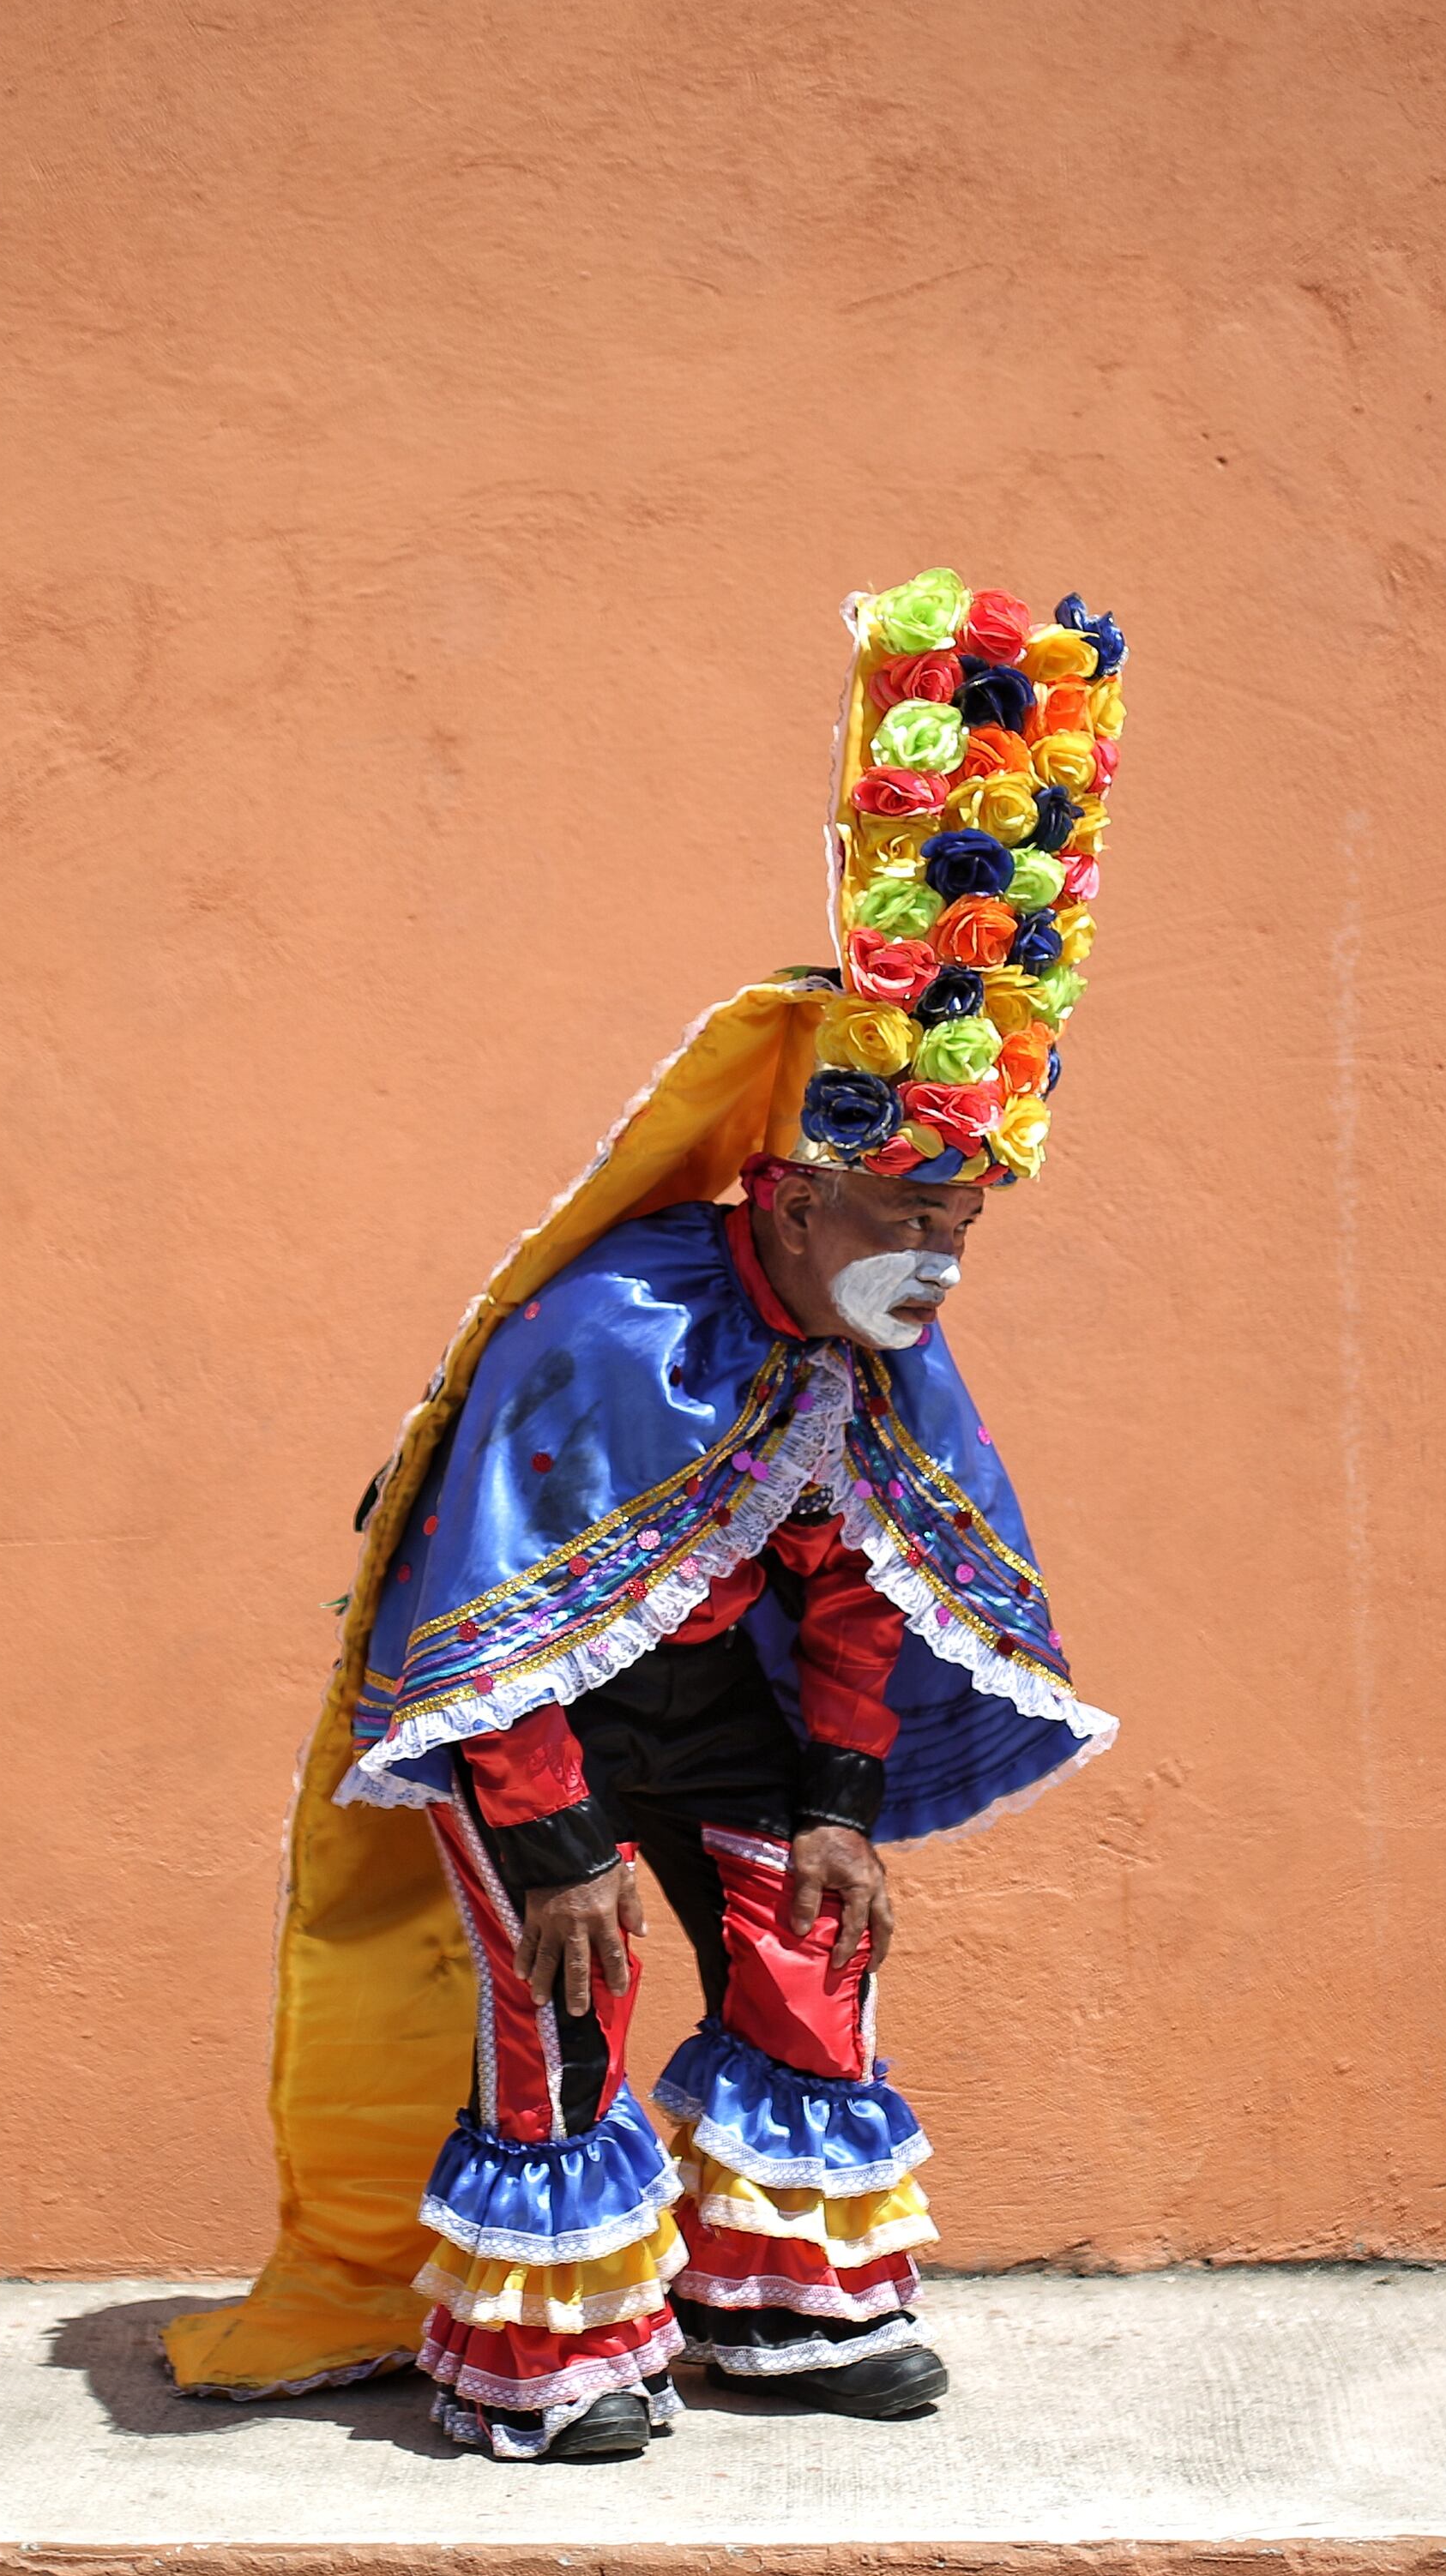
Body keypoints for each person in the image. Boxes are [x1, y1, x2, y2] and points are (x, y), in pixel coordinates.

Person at [166, 570, 1130, 2461]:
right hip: (541, 1737)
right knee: (566, 2003)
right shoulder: (601, 1334)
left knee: (809, 1948)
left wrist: (845, 1807)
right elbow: (487, 1617)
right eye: (899, 1221)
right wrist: (556, 1849)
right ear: (781, 1198)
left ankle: (785, 2317)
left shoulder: (881, 1353)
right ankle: (543, 2358)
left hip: (735, 1715)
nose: (936, 1262)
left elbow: (868, 1580)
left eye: (962, 1226)